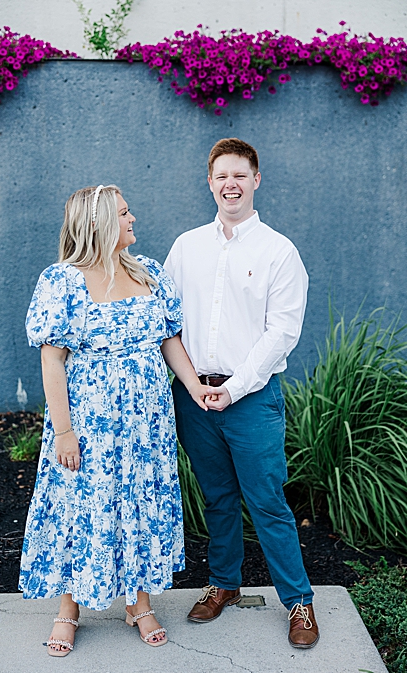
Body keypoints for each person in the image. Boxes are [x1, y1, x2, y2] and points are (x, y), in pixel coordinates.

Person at [18, 185, 210, 656]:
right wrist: (63, 430)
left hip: (146, 423)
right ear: (101, 222)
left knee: (139, 505)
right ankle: (68, 609)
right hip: (89, 422)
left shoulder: (150, 273)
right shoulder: (62, 281)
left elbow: (169, 342)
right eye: (124, 213)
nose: (133, 219)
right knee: (77, 506)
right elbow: (52, 361)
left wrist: (194, 386)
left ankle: (138, 603)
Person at [164, 137, 318, 648]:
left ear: (256, 180)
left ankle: (298, 602)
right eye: (221, 176)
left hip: (250, 399)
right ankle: (223, 585)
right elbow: (166, 322)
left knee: (267, 501)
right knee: (219, 498)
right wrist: (192, 384)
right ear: (209, 183)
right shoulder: (187, 247)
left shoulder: (278, 251)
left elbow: (281, 334)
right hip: (194, 396)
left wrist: (233, 389)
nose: (230, 184)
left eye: (240, 175)